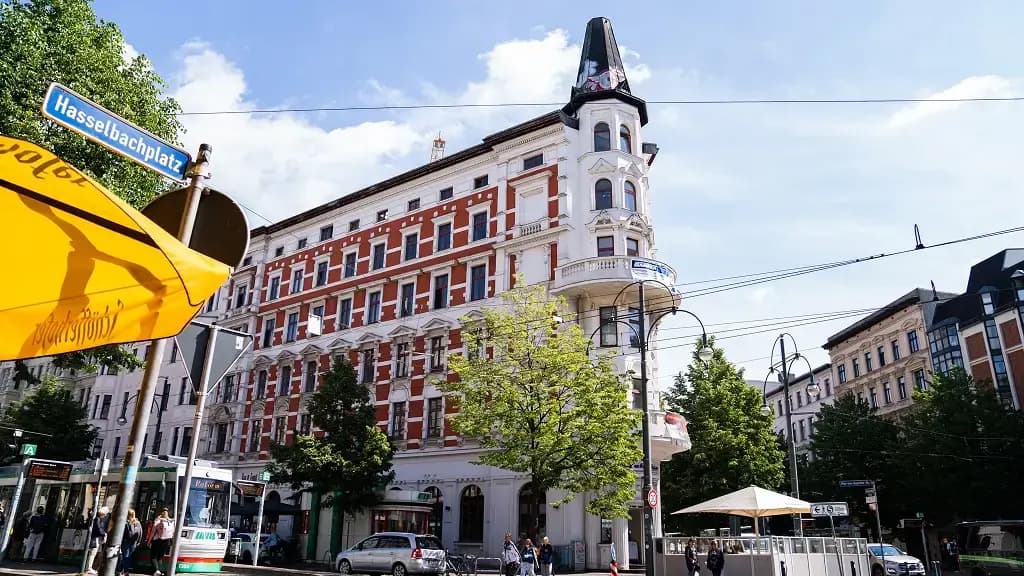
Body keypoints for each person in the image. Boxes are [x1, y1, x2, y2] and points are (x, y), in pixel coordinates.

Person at [147, 507, 174, 576]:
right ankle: (160, 571)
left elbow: (153, 532)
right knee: (160, 557)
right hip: (166, 541)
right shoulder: (171, 521)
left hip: (157, 541)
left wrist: (149, 541)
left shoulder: (158, 520)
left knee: (153, 556)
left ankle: (156, 570)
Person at [85, 506, 110, 575]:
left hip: (96, 538)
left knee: (93, 553)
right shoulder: (97, 519)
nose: (105, 516)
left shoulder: (97, 519)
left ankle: (89, 567)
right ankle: (89, 568)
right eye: (104, 514)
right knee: (92, 553)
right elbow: (98, 529)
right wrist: (104, 534)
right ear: (102, 514)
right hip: (95, 538)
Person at [119, 509, 143, 576]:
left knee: (125, 556)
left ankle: (124, 571)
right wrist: (138, 542)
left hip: (126, 542)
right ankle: (124, 570)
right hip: (134, 542)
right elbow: (140, 532)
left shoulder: (126, 522)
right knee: (129, 556)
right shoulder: (137, 522)